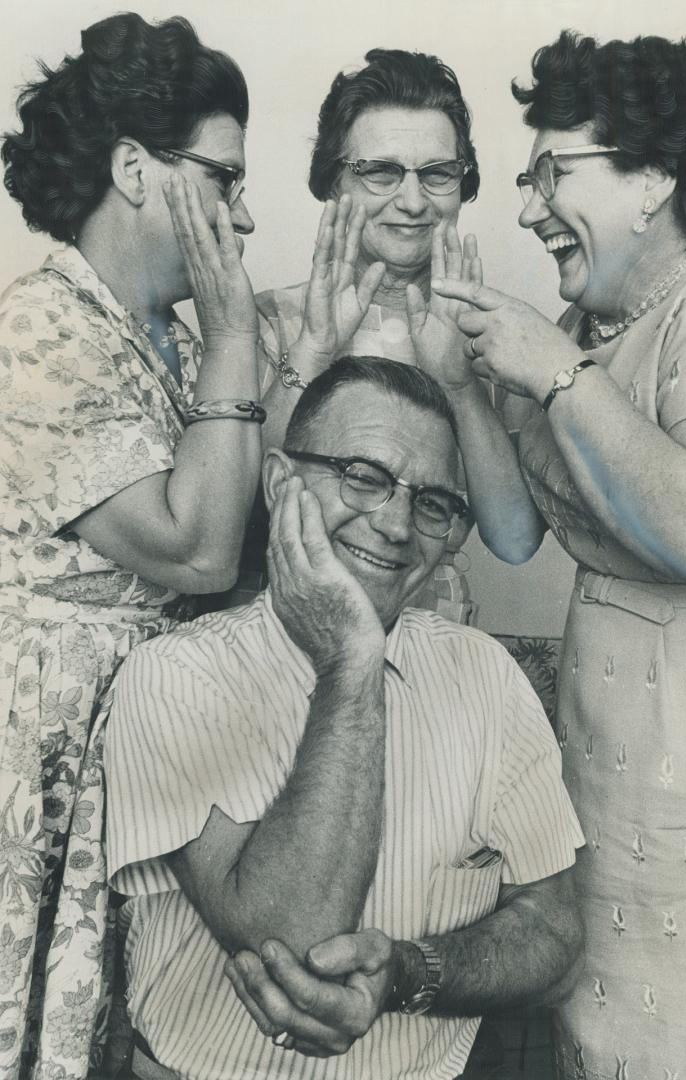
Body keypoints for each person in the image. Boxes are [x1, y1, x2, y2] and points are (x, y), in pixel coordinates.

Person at [422, 29, 686, 1080]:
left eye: (553, 172)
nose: (529, 205)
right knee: (609, 1045)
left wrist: (554, 375)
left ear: (654, 178)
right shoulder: (584, 325)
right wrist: (464, 385)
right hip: (613, 767)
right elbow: (513, 533)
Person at [103, 356, 585, 1080]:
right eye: (363, 475)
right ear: (279, 483)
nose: (395, 524)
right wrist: (352, 661)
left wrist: (410, 973)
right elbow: (297, 944)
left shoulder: (486, 675)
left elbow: (554, 936)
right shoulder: (175, 674)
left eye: (432, 504)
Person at [0, 14, 264, 1078]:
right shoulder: (36, 328)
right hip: (44, 749)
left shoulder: (181, 346)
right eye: (225, 179)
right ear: (134, 170)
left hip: (151, 745)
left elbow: (244, 552)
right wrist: (244, 336)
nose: (243, 218)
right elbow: (195, 552)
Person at [243, 48, 482, 621]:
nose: (413, 201)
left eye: (437, 173)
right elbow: (243, 516)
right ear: (333, 183)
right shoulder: (265, 321)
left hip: (430, 635)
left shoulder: (486, 334)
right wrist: (314, 350)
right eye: (381, 171)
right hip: (281, 633)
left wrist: (462, 380)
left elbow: (516, 539)